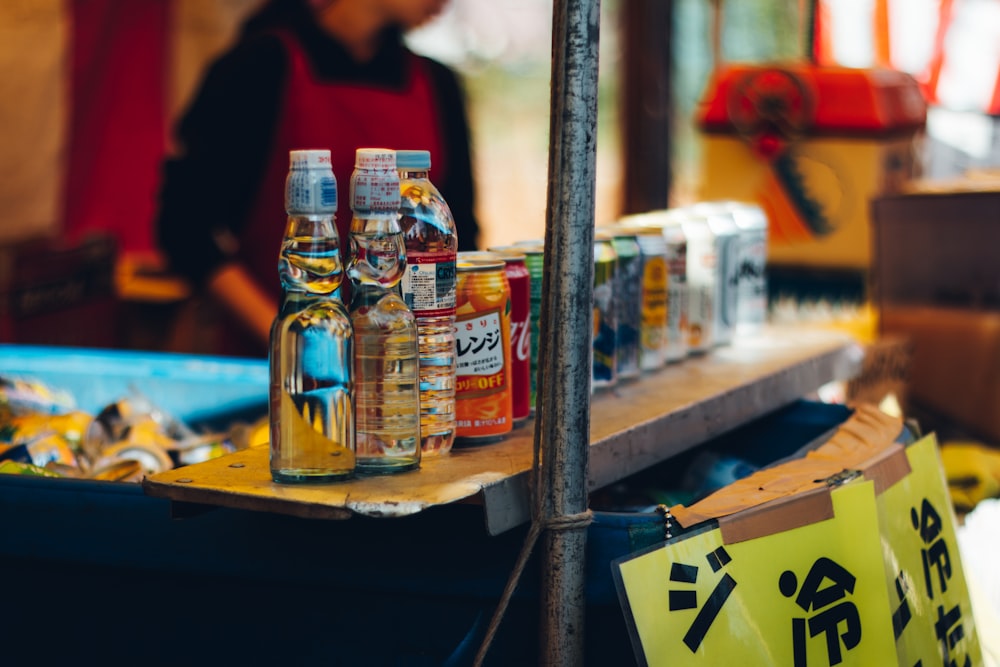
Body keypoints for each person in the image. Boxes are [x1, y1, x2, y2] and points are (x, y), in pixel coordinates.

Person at [156, 0, 480, 357]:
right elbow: (186, 230)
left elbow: (459, 237)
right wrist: (297, 342)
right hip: (269, 363)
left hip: (400, 372)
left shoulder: (437, 83)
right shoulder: (260, 64)